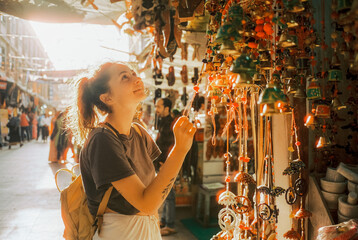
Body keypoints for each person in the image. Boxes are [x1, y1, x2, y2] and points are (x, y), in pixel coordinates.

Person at [67, 62, 196, 240]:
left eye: (133, 73)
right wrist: (180, 150)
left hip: (147, 229)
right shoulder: (102, 139)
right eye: (124, 77)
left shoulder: (138, 131)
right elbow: (147, 203)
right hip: (121, 233)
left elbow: (157, 183)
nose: (137, 79)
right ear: (107, 98)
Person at [154, 97, 177, 236]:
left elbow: (170, 145)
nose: (156, 109)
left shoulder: (170, 123)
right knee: (165, 193)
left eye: (159, 106)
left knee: (169, 194)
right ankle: (164, 220)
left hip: (166, 164)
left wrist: (164, 163)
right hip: (162, 163)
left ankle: (170, 224)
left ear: (167, 108)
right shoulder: (162, 122)